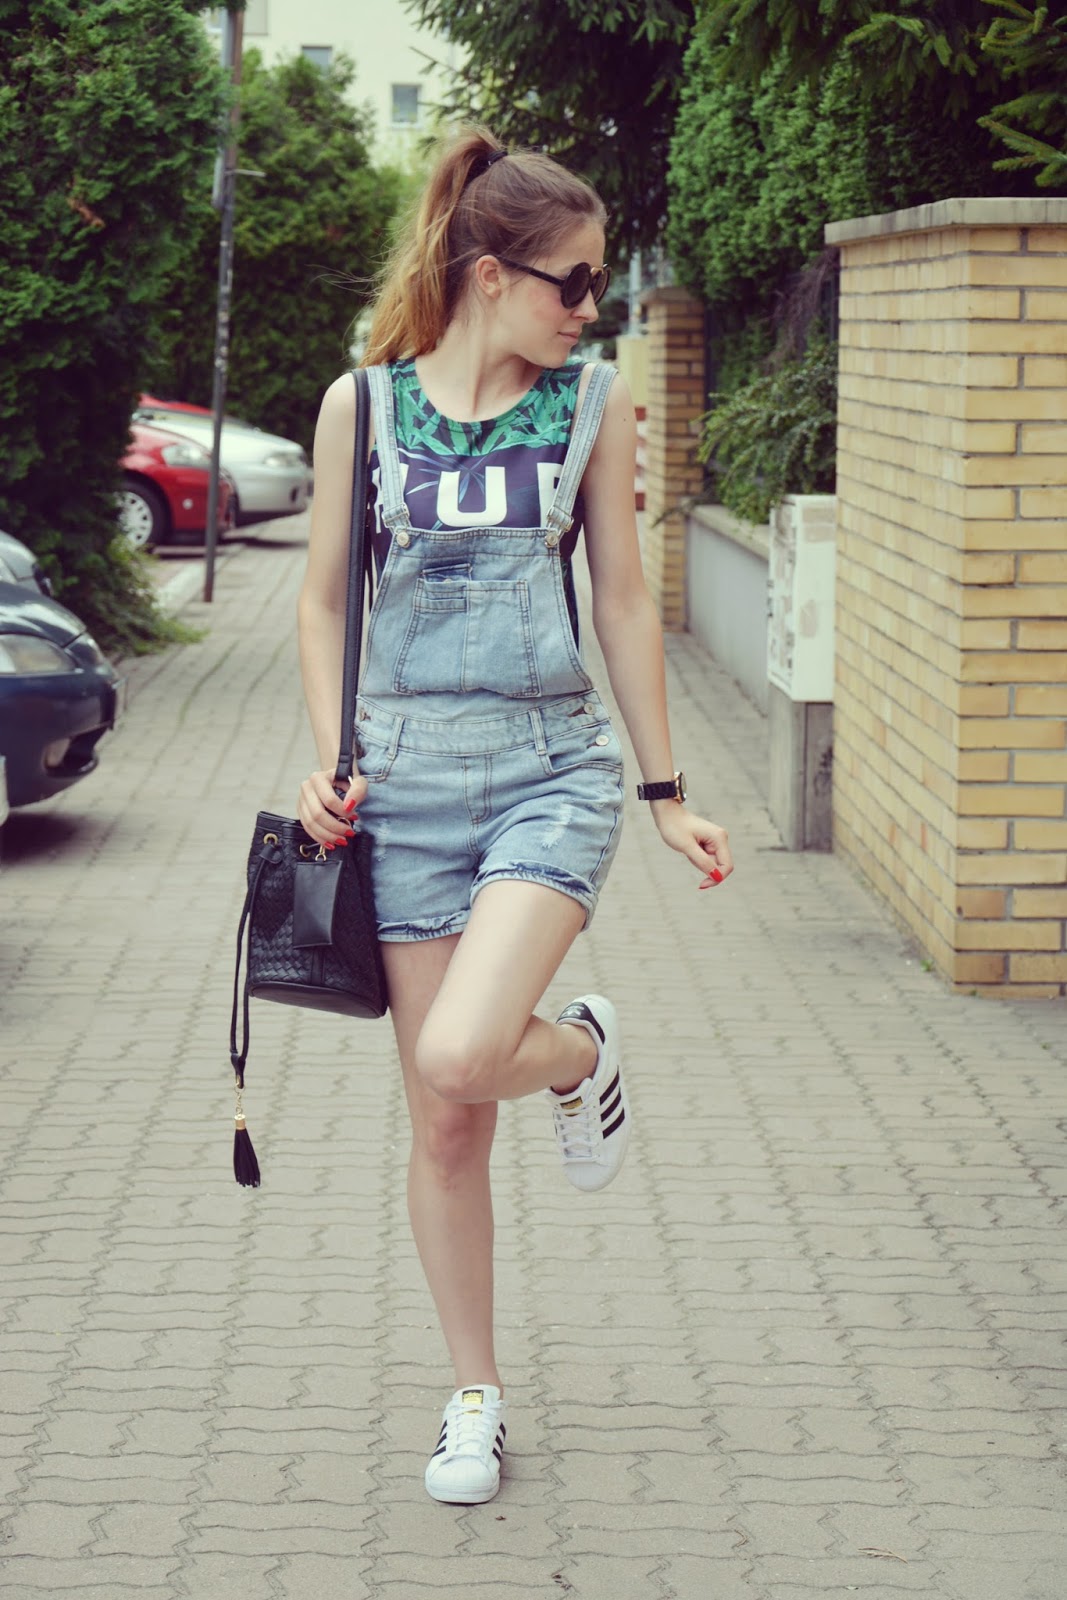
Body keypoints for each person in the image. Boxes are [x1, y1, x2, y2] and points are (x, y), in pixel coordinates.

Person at [296, 126, 733, 1507]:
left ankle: (576, 1050)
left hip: (550, 770)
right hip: (404, 783)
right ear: (491, 273)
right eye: (573, 282)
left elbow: (623, 600)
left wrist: (665, 792)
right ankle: (474, 1395)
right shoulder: (363, 407)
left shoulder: (593, 402)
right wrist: (331, 758)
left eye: (599, 281)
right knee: (444, 1121)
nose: (591, 305)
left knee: (468, 1049)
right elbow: (322, 601)